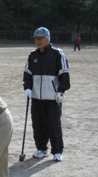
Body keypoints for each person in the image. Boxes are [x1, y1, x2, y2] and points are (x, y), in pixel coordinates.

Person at [23, 27, 70, 162]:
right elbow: (27, 74)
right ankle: (41, 149)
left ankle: (57, 151)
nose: (38, 41)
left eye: (40, 38)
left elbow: (64, 75)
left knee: (53, 124)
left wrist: (61, 91)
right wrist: (27, 87)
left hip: (53, 98)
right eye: (36, 39)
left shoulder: (57, 54)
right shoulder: (32, 55)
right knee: (38, 125)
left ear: (47, 38)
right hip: (36, 97)